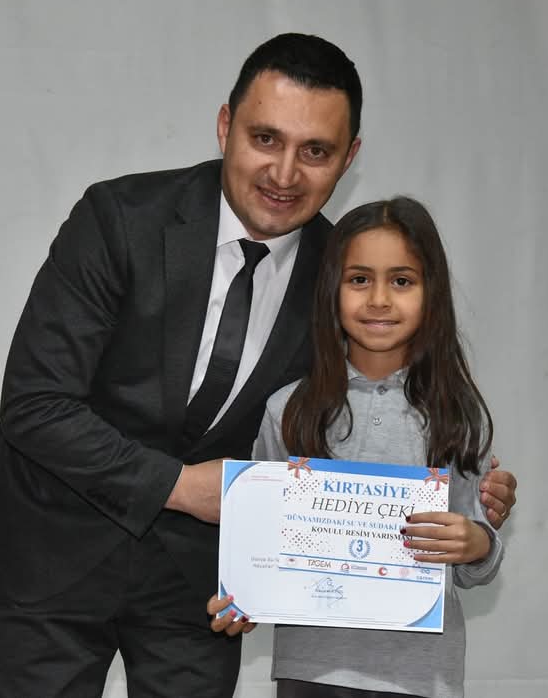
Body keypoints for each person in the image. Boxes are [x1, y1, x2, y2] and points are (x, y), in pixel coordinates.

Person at [0, 33, 518, 697]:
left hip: (202, 587)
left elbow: (371, 421)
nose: (285, 173)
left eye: (315, 151)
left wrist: (469, 490)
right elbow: (36, 407)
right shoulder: (119, 219)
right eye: (266, 139)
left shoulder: (344, 276)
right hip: (52, 547)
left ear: (349, 158)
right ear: (226, 126)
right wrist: (178, 486)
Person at [209, 197, 503, 698]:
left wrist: (477, 544)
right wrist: (245, 596)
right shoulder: (288, 409)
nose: (379, 300)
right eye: (359, 279)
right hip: (311, 672)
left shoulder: (459, 414)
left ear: (432, 293)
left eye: (402, 281)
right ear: (331, 290)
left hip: (421, 676)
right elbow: (260, 540)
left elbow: (477, 557)